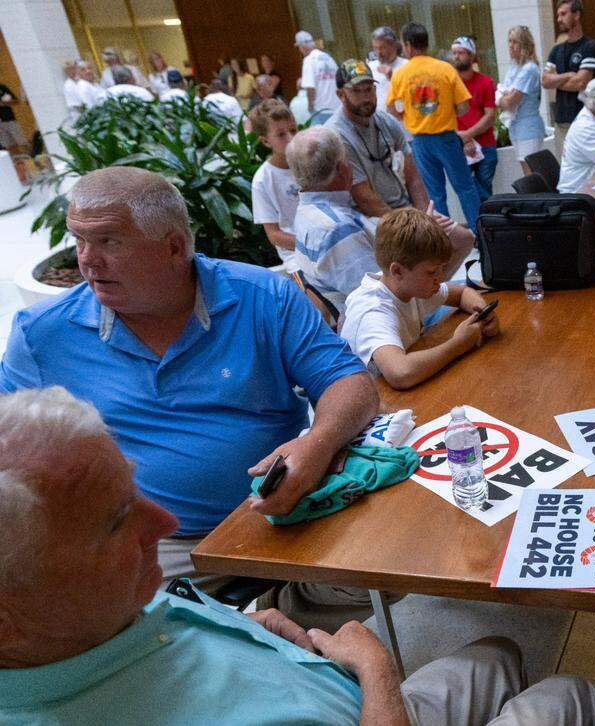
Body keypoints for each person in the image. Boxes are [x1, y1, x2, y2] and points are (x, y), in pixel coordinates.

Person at [0, 386, 595, 726]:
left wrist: (244, 626)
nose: (166, 524)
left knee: (498, 654)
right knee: (568, 695)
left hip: (335, 692)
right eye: (115, 523)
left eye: (135, 493)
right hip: (371, 703)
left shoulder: (77, 623)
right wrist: (376, 669)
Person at [0, 167, 377, 626]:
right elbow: (9, 449)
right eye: (79, 240)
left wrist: (316, 445)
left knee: (384, 567)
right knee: (105, 627)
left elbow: (350, 383)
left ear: (174, 247)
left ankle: (245, 623)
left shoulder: (262, 296)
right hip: (158, 540)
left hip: (290, 508)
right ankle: (254, 627)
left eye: (108, 242)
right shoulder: (43, 335)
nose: (87, 261)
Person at [325, 59, 474, 278]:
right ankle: (420, 291)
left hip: (405, 209)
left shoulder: (385, 120)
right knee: (420, 256)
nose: (366, 97)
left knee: (463, 239)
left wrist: (424, 218)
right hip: (369, 219)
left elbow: (414, 177)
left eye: (369, 89)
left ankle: (429, 292)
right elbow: (363, 197)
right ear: (340, 95)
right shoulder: (336, 134)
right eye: (357, 91)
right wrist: (409, 224)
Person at [342, 208, 500, 390]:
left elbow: (462, 294)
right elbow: (401, 373)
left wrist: (483, 314)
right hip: (372, 395)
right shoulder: (373, 311)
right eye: (432, 272)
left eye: (442, 268)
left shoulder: (407, 285)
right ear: (397, 271)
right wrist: (458, 344)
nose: (441, 277)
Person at [388, 23, 484, 229]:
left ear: (408, 45)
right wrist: (445, 112)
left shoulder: (400, 74)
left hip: (420, 141)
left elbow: (391, 108)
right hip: (446, 138)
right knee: (465, 188)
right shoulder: (445, 69)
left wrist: (408, 117)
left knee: (435, 194)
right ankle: (481, 234)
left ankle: (444, 237)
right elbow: (464, 106)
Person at [290, 125, 382, 312]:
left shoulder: (307, 212)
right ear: (342, 169)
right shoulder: (337, 229)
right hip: (382, 320)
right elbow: (379, 296)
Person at [542, 0, 595, 155]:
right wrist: (568, 75)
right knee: (564, 166)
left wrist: (556, 79)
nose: (559, 19)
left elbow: (580, 82)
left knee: (587, 166)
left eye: (563, 14)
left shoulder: (590, 46)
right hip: (561, 122)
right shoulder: (556, 50)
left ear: (576, 15)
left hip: (584, 120)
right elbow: (545, 81)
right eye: (558, 15)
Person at [251, 99, 301, 271]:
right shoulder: (262, 180)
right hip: (296, 255)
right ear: (265, 141)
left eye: (293, 130)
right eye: (281, 134)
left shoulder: (310, 162)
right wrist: (309, 246)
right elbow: (274, 234)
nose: (291, 138)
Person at [452, 36, 498, 203]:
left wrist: (468, 135)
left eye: (461, 53)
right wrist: (463, 139)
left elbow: (490, 116)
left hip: (486, 147)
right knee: (467, 192)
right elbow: (447, 117)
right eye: (454, 53)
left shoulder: (486, 82)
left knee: (484, 193)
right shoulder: (450, 84)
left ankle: (487, 217)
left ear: (471, 56)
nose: (456, 56)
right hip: (459, 147)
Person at [498, 25, 546, 164]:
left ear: (524, 45)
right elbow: (503, 94)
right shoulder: (514, 67)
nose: (510, 45)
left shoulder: (529, 69)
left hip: (528, 127)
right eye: (509, 41)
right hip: (516, 127)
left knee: (531, 170)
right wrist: (503, 96)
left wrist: (500, 98)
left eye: (515, 42)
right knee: (526, 169)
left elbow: (509, 102)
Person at [297, 29, 340, 125]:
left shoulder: (309, 60)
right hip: (337, 108)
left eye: (299, 47)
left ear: (302, 46)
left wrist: (310, 106)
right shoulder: (328, 57)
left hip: (322, 110)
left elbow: (310, 87)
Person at [368, 26, 408, 126]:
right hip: (379, 125)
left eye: (382, 48)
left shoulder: (407, 66)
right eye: (375, 48)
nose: (378, 53)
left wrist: (392, 78)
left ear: (393, 46)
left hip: (403, 124)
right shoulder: (370, 68)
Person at [0, 83, 26, 153]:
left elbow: (16, 101)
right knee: (8, 145)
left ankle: (29, 158)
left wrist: (4, 103)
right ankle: (15, 159)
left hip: (9, 119)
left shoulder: (2, 87)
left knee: (21, 142)